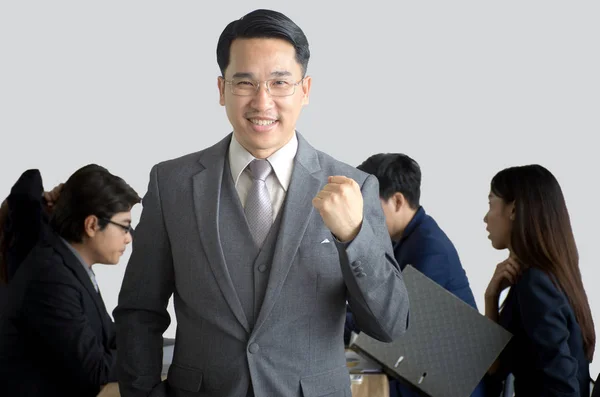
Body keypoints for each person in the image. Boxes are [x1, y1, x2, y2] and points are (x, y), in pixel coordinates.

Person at [113, 9, 410, 397]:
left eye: (279, 82)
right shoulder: (172, 184)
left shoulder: (355, 186)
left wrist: (354, 236)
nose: (262, 100)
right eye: (245, 82)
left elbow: (391, 326)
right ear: (221, 89)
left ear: (304, 91)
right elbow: (139, 311)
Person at [344, 153, 483, 397]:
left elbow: (392, 322)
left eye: (368, 206)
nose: (363, 218)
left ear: (397, 201)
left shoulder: (429, 249)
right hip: (417, 369)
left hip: (442, 385)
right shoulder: (405, 240)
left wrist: (333, 324)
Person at [0, 164, 141, 397]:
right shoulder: (51, 278)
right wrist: (148, 356)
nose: (128, 238)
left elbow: (107, 335)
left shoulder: (69, 265)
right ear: (92, 225)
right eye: (125, 227)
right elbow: (96, 371)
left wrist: (159, 343)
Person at [483, 164, 595, 396]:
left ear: (513, 209)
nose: (486, 218)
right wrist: (491, 298)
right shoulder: (540, 278)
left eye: (491, 203)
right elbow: (495, 369)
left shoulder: (536, 283)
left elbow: (562, 388)